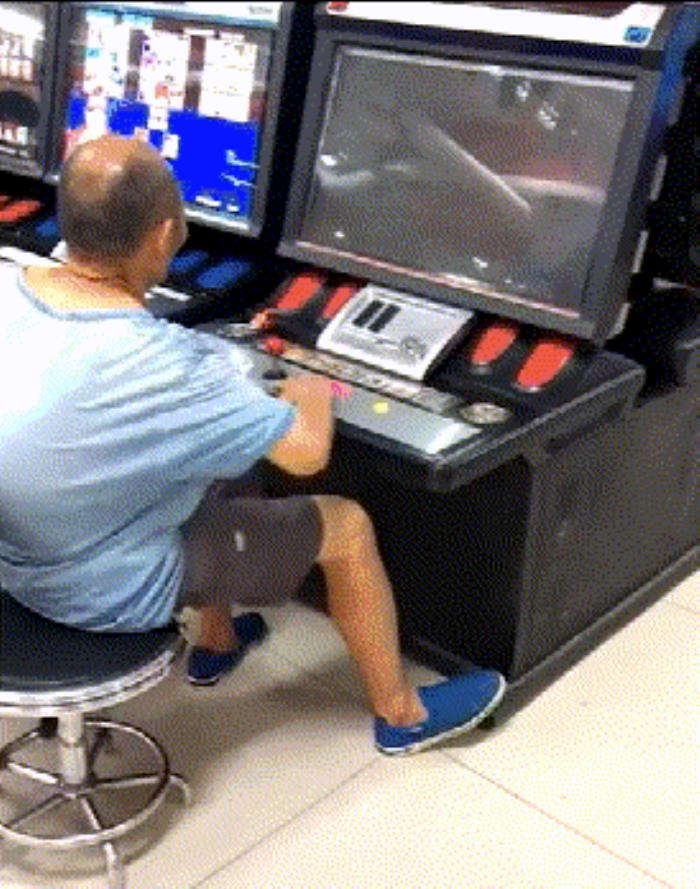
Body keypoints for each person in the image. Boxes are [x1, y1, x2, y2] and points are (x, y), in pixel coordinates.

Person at [0, 135, 505, 755]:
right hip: (99, 590)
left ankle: (218, 641)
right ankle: (404, 715)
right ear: (164, 235)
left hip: (16, 557)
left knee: (211, 463)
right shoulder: (167, 363)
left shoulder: (10, 287)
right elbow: (305, 454)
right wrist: (311, 384)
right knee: (347, 526)